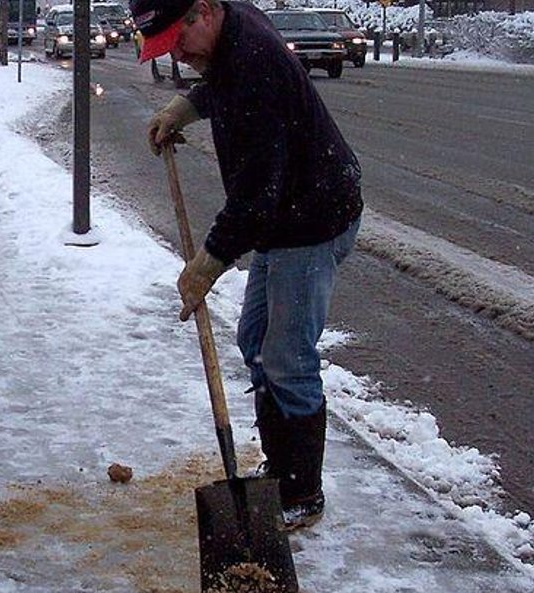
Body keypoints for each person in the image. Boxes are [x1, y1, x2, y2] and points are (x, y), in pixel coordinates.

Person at [131, 0, 363, 529]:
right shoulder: (230, 34)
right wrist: (185, 108)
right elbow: (221, 82)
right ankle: (280, 468)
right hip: (285, 214)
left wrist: (206, 265)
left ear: (204, 13)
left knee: (286, 356)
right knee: (255, 340)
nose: (179, 56)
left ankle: (301, 491)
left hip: (312, 219)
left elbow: (255, 199)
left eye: (178, 42)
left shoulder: (256, 62)